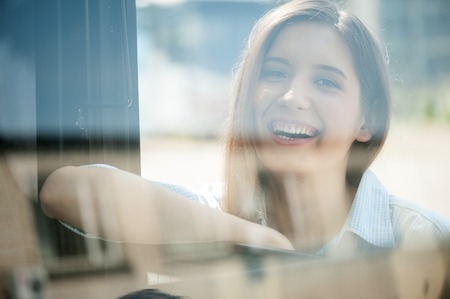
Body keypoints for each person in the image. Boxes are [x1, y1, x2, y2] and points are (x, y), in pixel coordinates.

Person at [40, 0, 450, 257]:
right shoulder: (219, 215)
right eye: (274, 73)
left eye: (326, 81)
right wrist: (259, 241)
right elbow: (63, 189)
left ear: (368, 119)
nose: (292, 96)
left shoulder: (423, 240)